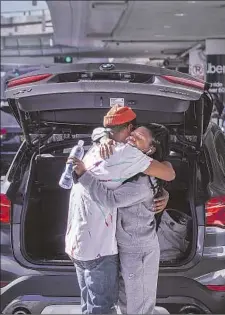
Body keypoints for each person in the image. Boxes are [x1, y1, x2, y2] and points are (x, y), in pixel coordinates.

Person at [65, 105, 175, 314]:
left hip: (136, 250)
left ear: (150, 150)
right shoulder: (123, 158)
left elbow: (113, 199)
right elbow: (102, 132)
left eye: (138, 138)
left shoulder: (135, 165)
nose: (131, 139)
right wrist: (103, 137)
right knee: (121, 304)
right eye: (132, 134)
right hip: (116, 245)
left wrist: (83, 174)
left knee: (135, 307)